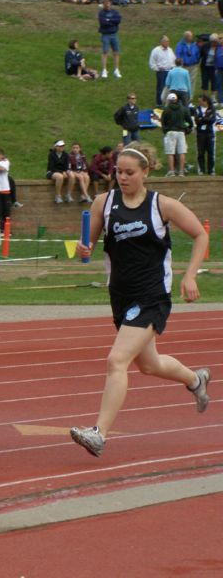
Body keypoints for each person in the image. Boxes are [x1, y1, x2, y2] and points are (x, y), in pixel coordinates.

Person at [70, 141, 211, 458]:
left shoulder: (163, 206)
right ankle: (195, 379)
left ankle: (99, 434)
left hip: (152, 296)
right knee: (149, 364)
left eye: (129, 172)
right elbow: (88, 244)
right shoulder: (103, 203)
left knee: (116, 360)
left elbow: (200, 234)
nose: (122, 177)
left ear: (146, 172)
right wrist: (82, 249)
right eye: (118, 172)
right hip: (120, 295)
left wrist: (190, 275)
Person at [161, 92, 193, 176]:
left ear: (168, 100)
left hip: (170, 132)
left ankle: (171, 171)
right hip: (181, 132)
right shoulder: (183, 109)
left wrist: (165, 130)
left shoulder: (166, 109)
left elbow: (163, 122)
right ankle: (181, 171)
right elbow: (189, 121)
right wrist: (188, 129)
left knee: (170, 152)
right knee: (182, 151)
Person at [98, 0, 122, 79]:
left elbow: (118, 20)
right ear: (103, 5)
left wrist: (109, 20)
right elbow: (103, 23)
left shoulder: (115, 12)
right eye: (106, 4)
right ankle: (104, 70)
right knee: (105, 52)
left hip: (114, 34)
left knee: (116, 52)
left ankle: (116, 70)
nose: (107, 5)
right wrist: (111, 21)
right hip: (105, 35)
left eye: (108, 3)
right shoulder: (101, 13)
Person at [149, 35, 176, 107]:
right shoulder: (156, 50)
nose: (168, 42)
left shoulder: (170, 50)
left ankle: (169, 103)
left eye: (168, 41)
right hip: (162, 72)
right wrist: (158, 69)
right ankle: (159, 103)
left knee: (170, 87)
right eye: (166, 41)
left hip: (170, 71)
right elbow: (152, 63)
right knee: (161, 88)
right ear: (162, 42)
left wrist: (174, 68)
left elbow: (174, 60)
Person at [194, 93, 216, 175]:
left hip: (209, 133)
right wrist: (205, 119)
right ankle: (201, 170)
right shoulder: (197, 109)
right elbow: (196, 120)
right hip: (200, 133)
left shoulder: (212, 108)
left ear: (205, 101)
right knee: (201, 152)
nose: (199, 103)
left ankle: (211, 170)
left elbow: (212, 120)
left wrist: (202, 119)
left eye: (201, 101)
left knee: (210, 152)